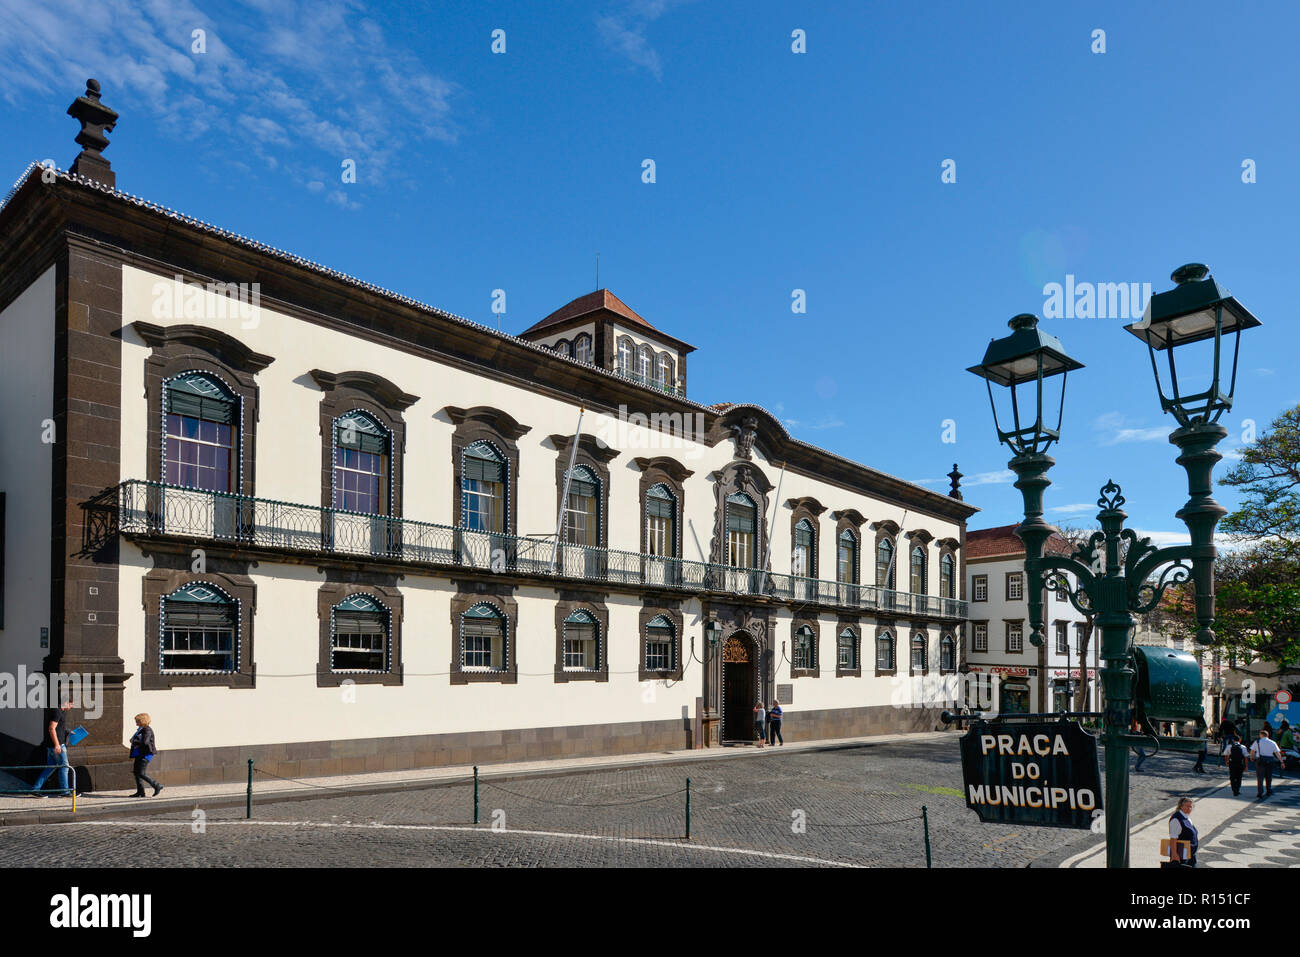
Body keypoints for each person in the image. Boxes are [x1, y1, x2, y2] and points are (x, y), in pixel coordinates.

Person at [30, 698, 75, 797]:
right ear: (66, 702)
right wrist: (57, 744)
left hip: (53, 746)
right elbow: (51, 728)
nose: (72, 707)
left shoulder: (62, 711)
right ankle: (65, 792)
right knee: (64, 767)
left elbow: (59, 726)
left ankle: (35, 789)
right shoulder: (57, 711)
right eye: (71, 704)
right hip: (57, 746)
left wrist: (68, 731)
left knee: (50, 768)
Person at [129, 713, 163, 798]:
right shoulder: (141, 729)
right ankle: (140, 792)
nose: (136, 722)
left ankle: (157, 785)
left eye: (137, 721)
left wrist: (134, 741)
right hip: (139, 754)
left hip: (145, 754)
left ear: (142, 721)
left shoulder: (147, 730)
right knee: (136, 772)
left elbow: (145, 742)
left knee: (141, 772)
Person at [1249, 728, 1283, 799]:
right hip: (1270, 760)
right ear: (1267, 735)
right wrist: (1281, 761)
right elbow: (1277, 753)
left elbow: (1252, 751)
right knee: (1269, 777)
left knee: (1260, 777)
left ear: (1261, 735)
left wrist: (1251, 757)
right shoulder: (1272, 742)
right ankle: (1268, 791)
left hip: (1260, 760)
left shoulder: (1257, 742)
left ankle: (1260, 792)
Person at [1166, 797, 1198, 868]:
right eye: (1187, 806)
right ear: (1181, 806)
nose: (1189, 808)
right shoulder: (1176, 819)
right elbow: (1173, 838)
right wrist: (1174, 855)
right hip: (1181, 855)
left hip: (1190, 854)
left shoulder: (1186, 817)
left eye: (1191, 807)